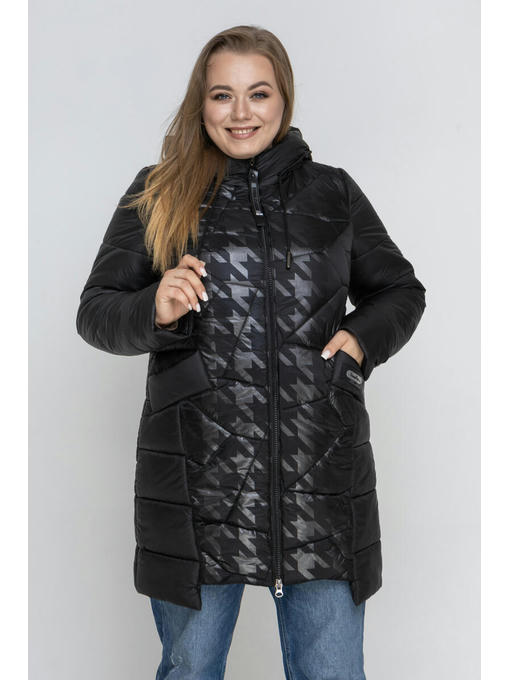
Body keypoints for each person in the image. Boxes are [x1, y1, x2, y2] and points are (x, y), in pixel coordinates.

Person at [76, 24, 426, 680]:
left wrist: (360, 341)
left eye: (258, 93)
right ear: (201, 103)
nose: (241, 113)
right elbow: (95, 313)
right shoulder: (159, 191)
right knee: (191, 669)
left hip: (319, 479)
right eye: (222, 95)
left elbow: (400, 290)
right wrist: (154, 307)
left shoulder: (334, 193)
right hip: (197, 485)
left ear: (283, 99)